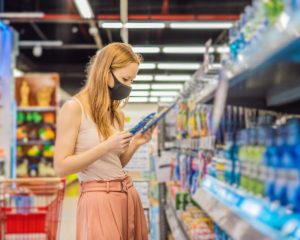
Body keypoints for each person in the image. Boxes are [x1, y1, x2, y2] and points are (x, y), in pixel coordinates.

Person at [54, 42, 152, 240]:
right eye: (125, 79)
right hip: (98, 199)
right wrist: (107, 146)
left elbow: (116, 163)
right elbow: (61, 166)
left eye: (132, 80)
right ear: (106, 73)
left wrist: (136, 143)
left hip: (127, 193)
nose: (128, 86)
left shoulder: (117, 114)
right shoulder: (74, 108)